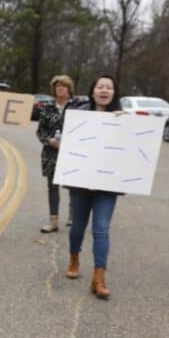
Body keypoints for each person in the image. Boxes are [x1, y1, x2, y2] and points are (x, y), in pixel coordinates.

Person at [62, 74, 123, 299]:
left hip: (106, 186)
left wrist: (125, 124)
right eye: (100, 87)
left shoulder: (123, 118)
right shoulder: (79, 115)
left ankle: (99, 278)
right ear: (93, 91)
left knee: (101, 228)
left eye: (109, 87)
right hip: (80, 183)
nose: (104, 90)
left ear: (114, 93)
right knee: (78, 226)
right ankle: (74, 257)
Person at [35, 75, 76, 233]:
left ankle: (73, 216)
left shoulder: (77, 107)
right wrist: (48, 141)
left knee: (73, 186)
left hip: (71, 153)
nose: (60, 88)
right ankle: (53, 221)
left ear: (69, 89)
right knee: (52, 186)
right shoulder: (47, 107)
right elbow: (40, 131)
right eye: (58, 86)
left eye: (64, 86)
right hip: (51, 153)